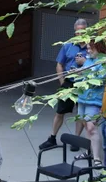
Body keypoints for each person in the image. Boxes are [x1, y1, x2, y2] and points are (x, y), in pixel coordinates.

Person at [38, 18, 89, 151]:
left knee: (81, 113)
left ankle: (76, 140)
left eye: (82, 31)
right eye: (77, 32)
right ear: (74, 32)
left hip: (84, 84)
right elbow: (59, 65)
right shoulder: (68, 45)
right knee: (60, 111)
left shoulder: (91, 47)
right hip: (68, 82)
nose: (80, 35)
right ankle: (52, 138)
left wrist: (84, 62)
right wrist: (62, 82)